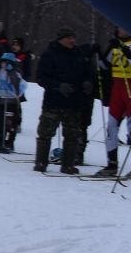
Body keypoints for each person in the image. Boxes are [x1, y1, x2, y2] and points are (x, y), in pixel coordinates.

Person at [29, 28, 93, 175]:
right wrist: (57, 86)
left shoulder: (79, 54)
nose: (72, 41)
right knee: (45, 133)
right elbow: (41, 77)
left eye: (73, 38)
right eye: (69, 38)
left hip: (74, 102)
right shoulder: (49, 54)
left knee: (72, 135)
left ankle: (68, 164)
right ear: (61, 39)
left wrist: (88, 82)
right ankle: (41, 163)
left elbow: (89, 73)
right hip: (54, 102)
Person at [99, 28, 131, 178]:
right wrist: (100, 52)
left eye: (122, 28)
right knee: (111, 127)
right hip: (118, 87)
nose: (119, 30)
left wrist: (122, 48)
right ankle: (111, 165)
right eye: (118, 28)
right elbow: (104, 66)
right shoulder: (117, 44)